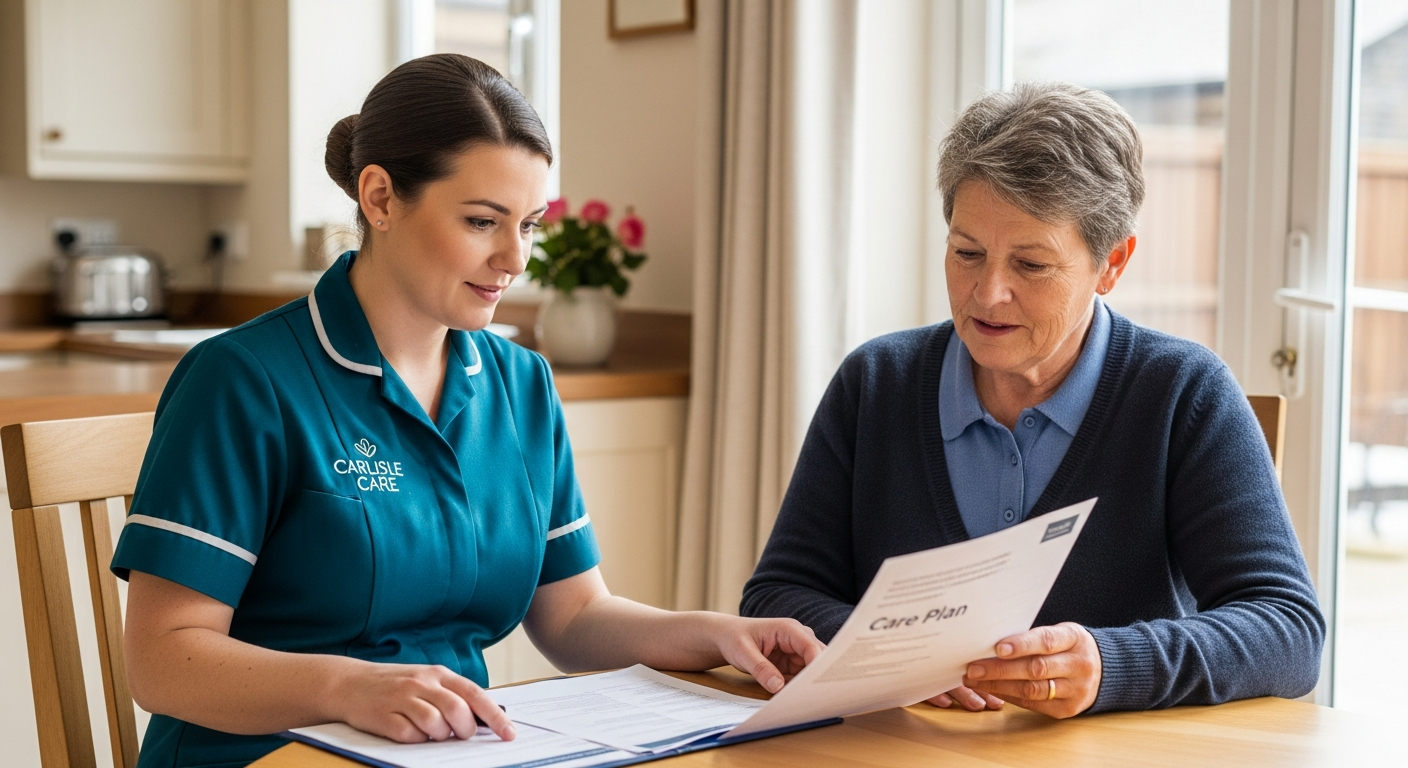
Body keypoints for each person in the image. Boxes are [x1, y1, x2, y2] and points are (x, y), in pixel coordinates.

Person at [114, 54, 821, 767]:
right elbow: (163, 661)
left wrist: (716, 634)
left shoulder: (522, 386)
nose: (515, 258)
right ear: (381, 198)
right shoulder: (242, 380)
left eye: (531, 224)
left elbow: (572, 617)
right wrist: (348, 687)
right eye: (483, 221)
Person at [740, 82, 1324, 718]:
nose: (987, 294)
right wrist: (901, 655)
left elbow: (1288, 631)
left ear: (1113, 264)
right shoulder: (876, 382)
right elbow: (778, 596)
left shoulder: (1185, 394)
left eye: (1031, 266)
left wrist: (1107, 665)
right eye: (967, 253)